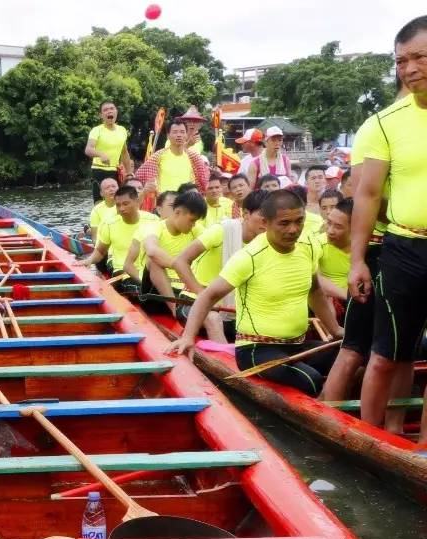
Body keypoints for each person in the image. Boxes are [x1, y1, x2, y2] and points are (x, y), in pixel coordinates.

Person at [169, 189, 342, 396]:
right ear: (266, 222)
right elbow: (208, 296)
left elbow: (315, 291)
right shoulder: (248, 257)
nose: (293, 229)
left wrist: (336, 329)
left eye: (299, 221)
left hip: (297, 345)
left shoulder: (308, 246)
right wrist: (188, 337)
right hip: (256, 350)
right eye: (284, 223)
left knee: (349, 356)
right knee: (311, 380)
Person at [348, 16, 427, 434]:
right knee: (384, 355)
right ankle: (368, 441)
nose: (409, 69)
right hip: (402, 249)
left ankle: (422, 453)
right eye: (400, 62)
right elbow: (368, 194)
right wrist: (357, 260)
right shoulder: (385, 123)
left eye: (418, 57)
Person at [174, 189, 271, 345]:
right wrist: (202, 295)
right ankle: (227, 365)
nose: (267, 220)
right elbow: (180, 261)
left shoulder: (267, 242)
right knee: (213, 318)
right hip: (193, 305)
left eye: (271, 215)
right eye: (262, 214)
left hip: (232, 311)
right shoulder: (223, 230)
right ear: (246, 214)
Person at [140, 189, 208, 312]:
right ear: (177, 212)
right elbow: (151, 250)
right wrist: (179, 266)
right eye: (192, 220)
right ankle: (174, 310)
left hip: (183, 291)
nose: (193, 224)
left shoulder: (196, 229)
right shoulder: (154, 227)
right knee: (153, 260)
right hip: (155, 294)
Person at [85, 184, 158, 278]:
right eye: (118, 205)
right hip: (122, 271)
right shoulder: (109, 224)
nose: (121, 209)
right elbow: (100, 252)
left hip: (148, 270)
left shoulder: (154, 220)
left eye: (125, 204)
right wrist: (89, 261)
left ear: (137, 202)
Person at [135, 122, 210, 196]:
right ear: (168, 136)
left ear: (186, 135)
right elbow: (139, 176)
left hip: (187, 202)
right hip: (165, 201)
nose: (179, 135)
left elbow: (204, 181)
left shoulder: (194, 157)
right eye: (175, 132)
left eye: (182, 132)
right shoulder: (158, 156)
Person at [124, 190, 176, 284]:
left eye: (179, 206)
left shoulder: (190, 229)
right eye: (172, 206)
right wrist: (143, 283)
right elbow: (128, 265)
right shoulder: (143, 230)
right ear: (159, 209)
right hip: (154, 286)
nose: (177, 210)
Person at [86, 101, 133, 201]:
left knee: (118, 202)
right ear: (101, 115)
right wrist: (100, 154)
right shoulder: (96, 130)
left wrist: (129, 173)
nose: (109, 111)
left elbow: (124, 153)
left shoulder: (122, 130)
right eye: (105, 110)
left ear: (116, 112)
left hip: (115, 171)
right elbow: (88, 149)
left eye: (112, 109)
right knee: (100, 203)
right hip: (99, 171)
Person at [314, 198, 354, 302]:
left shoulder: (368, 247)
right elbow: (313, 277)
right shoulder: (317, 243)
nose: (330, 231)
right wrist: (348, 296)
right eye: (329, 222)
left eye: (338, 226)